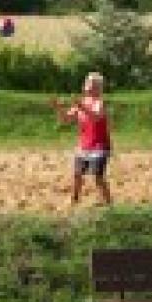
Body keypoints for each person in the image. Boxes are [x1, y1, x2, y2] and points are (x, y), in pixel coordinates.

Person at [51, 71, 112, 206]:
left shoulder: (99, 103)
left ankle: (109, 204)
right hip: (84, 145)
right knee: (77, 175)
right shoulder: (82, 103)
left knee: (98, 177)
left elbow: (96, 117)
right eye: (86, 81)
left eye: (89, 82)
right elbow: (66, 119)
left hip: (99, 146)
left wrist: (81, 107)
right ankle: (75, 201)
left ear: (97, 86)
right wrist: (58, 108)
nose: (86, 84)